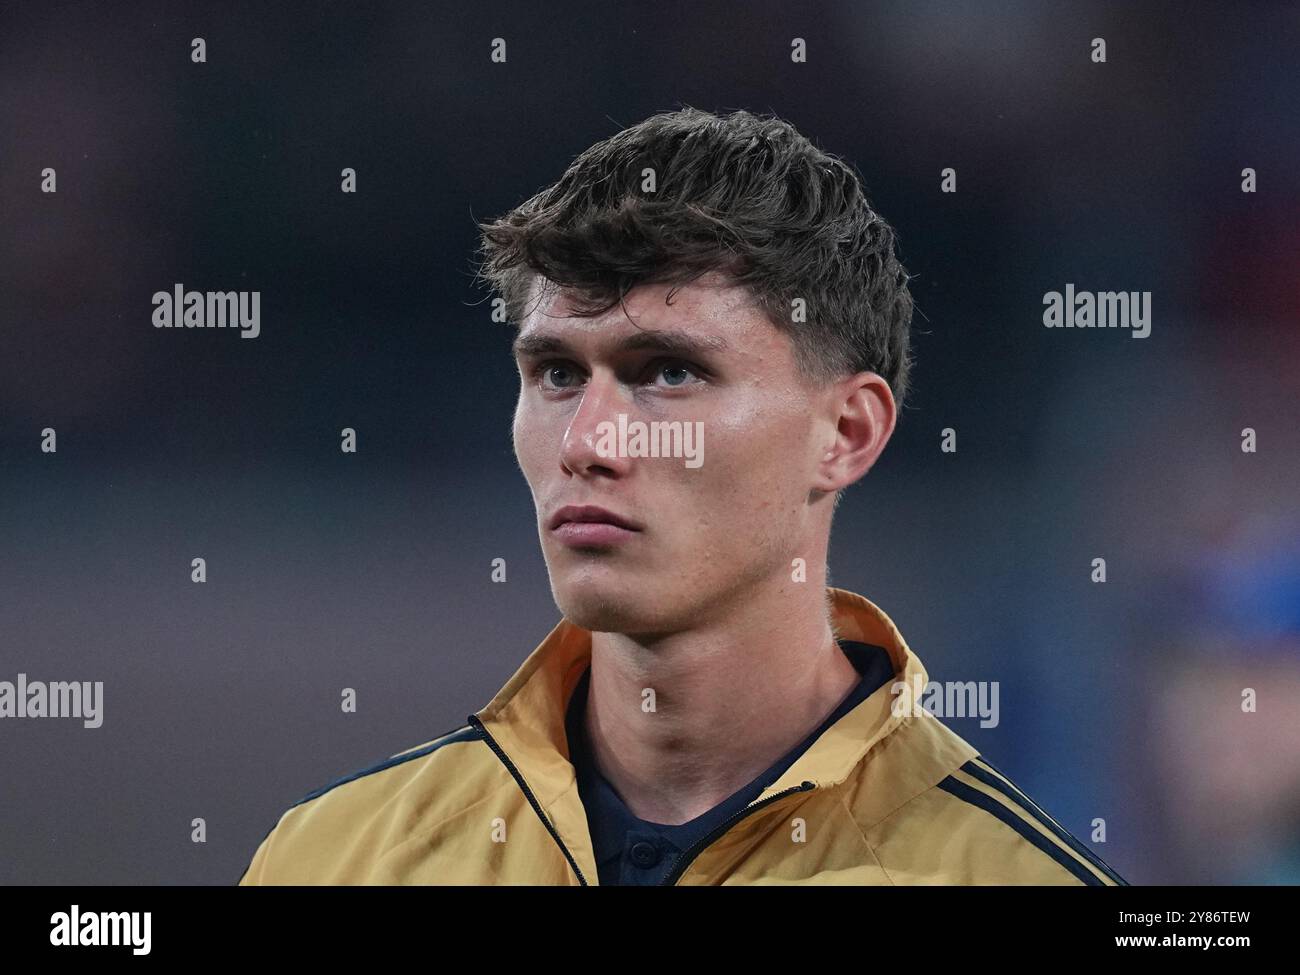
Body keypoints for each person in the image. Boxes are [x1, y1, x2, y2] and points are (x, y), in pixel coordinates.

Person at [239, 107, 1127, 885]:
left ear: (847, 434)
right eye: (554, 372)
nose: (587, 442)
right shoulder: (328, 860)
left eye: (668, 371)